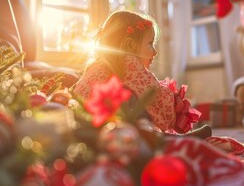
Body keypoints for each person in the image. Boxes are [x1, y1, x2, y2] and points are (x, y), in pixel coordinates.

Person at [73, 10, 209, 137]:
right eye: (150, 43)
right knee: (132, 101)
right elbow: (154, 93)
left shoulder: (96, 65)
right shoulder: (128, 61)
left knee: (130, 99)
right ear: (130, 45)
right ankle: (171, 139)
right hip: (107, 128)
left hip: (85, 127)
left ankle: (167, 138)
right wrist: (174, 100)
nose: (155, 52)